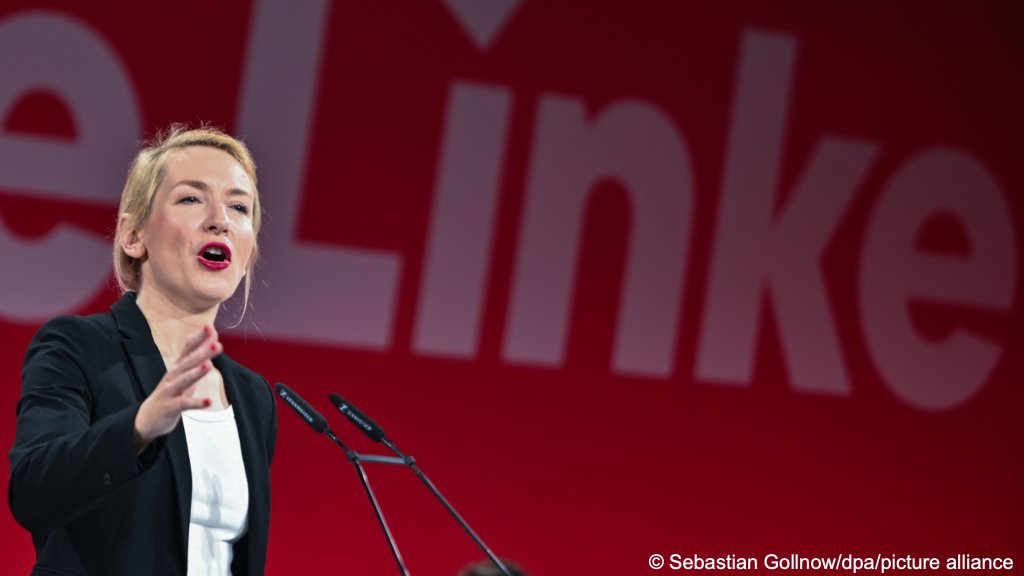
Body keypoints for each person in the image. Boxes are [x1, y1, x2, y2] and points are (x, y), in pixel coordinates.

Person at [8, 125, 277, 575]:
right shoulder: (79, 348)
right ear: (133, 235)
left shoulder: (254, 398)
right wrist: (140, 427)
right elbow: (34, 491)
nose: (220, 220)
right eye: (191, 198)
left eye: (239, 206)